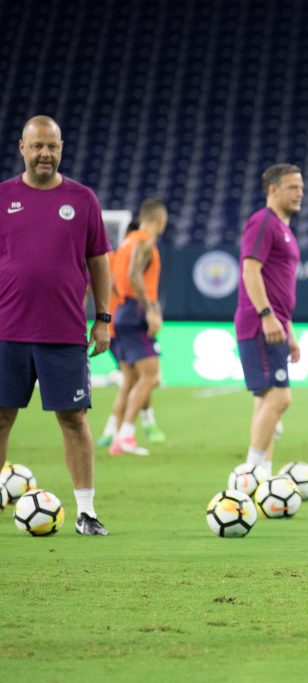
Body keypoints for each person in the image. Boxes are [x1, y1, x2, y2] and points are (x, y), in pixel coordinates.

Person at [0, 115, 111, 535]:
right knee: (0, 417)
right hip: (6, 330)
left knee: (74, 419)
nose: (45, 153)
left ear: (61, 147)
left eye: (52, 146)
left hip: (63, 331)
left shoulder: (82, 200)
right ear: (22, 148)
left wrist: (102, 318)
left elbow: (99, 262)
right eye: (37, 146)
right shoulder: (2, 197)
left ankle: (86, 511)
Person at [235, 164, 303, 475]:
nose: (299, 192)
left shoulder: (283, 229)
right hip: (259, 323)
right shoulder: (262, 222)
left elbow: (279, 286)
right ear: (273, 190)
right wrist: (266, 316)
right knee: (279, 398)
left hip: (275, 324)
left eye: (301, 187)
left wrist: (288, 329)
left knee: (266, 400)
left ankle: (264, 472)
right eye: (292, 187)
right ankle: (249, 471)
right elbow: (250, 270)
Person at [97, 200, 168, 456]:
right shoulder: (146, 241)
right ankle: (126, 435)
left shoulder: (126, 243)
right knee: (151, 377)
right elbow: (136, 274)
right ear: (159, 218)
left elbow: (116, 281)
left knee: (130, 380)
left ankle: (114, 433)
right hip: (136, 311)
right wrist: (149, 309)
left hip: (124, 311)